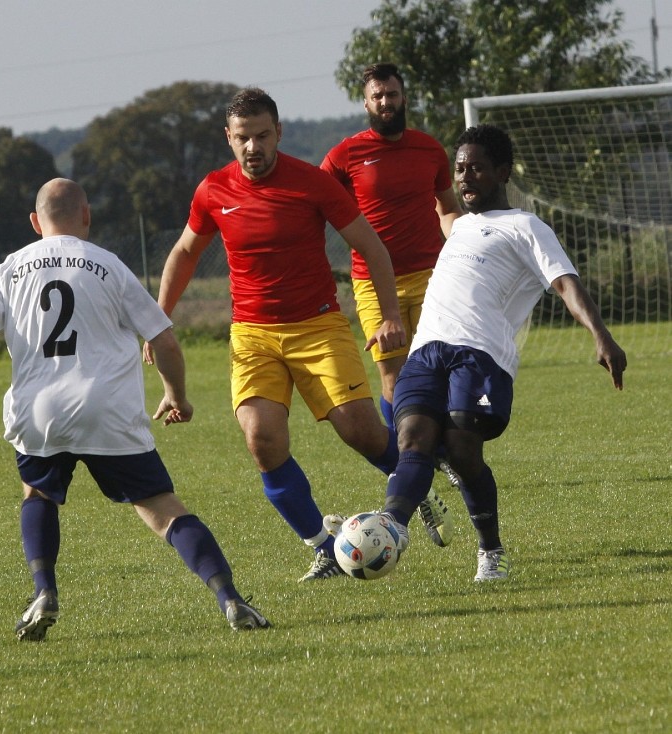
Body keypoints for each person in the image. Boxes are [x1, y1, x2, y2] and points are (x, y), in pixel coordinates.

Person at [0, 177, 270, 639]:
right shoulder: (110, 266)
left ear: (36, 222)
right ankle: (230, 598)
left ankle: (43, 591)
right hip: (107, 411)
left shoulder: (9, 270)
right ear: (86, 216)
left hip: (38, 414)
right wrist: (177, 396)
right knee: (161, 507)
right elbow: (165, 342)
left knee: (37, 495)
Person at [146, 87, 451, 583]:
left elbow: (371, 247)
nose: (253, 147)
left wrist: (389, 314)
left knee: (360, 430)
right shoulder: (212, 191)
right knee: (261, 439)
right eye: (243, 138)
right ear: (229, 138)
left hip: (318, 326)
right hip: (253, 336)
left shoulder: (312, 183)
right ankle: (325, 547)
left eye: (263, 136)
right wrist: (158, 318)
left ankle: (418, 488)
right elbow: (185, 252)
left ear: (279, 133)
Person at [375, 124, 626, 580]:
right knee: (410, 436)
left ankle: (491, 551)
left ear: (503, 172)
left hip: (480, 353)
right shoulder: (461, 227)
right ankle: (390, 527)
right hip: (428, 348)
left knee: (462, 443)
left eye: (476, 169)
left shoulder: (527, 227)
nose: (465, 177)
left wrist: (601, 335)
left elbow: (565, 283)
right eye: (460, 169)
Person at [320, 63, 466, 519]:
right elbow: (315, 206)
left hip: (431, 275)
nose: (387, 102)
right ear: (366, 103)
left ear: (405, 97)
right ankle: (408, 461)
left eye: (394, 94)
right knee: (392, 377)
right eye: (378, 96)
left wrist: (461, 241)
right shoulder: (344, 156)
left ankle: (449, 456)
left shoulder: (428, 149)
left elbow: (447, 208)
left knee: (439, 369)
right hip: (370, 282)